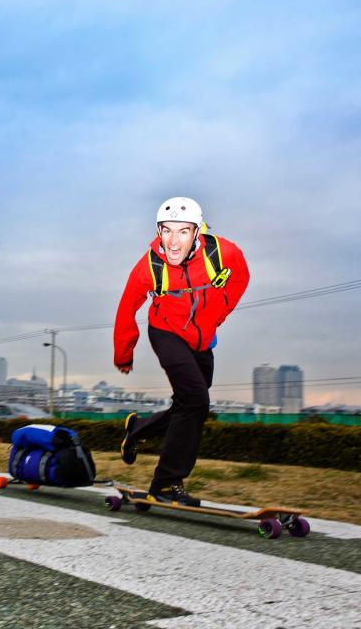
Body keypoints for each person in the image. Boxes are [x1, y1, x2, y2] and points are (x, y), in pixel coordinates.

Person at [113, 197, 249, 506]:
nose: (173, 241)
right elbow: (126, 309)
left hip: (202, 338)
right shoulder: (147, 267)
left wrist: (217, 316)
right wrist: (124, 352)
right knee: (197, 402)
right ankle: (166, 483)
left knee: (188, 403)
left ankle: (136, 430)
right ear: (158, 231)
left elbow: (241, 279)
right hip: (165, 332)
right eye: (166, 231)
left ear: (197, 232)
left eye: (183, 231)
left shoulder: (224, 253)